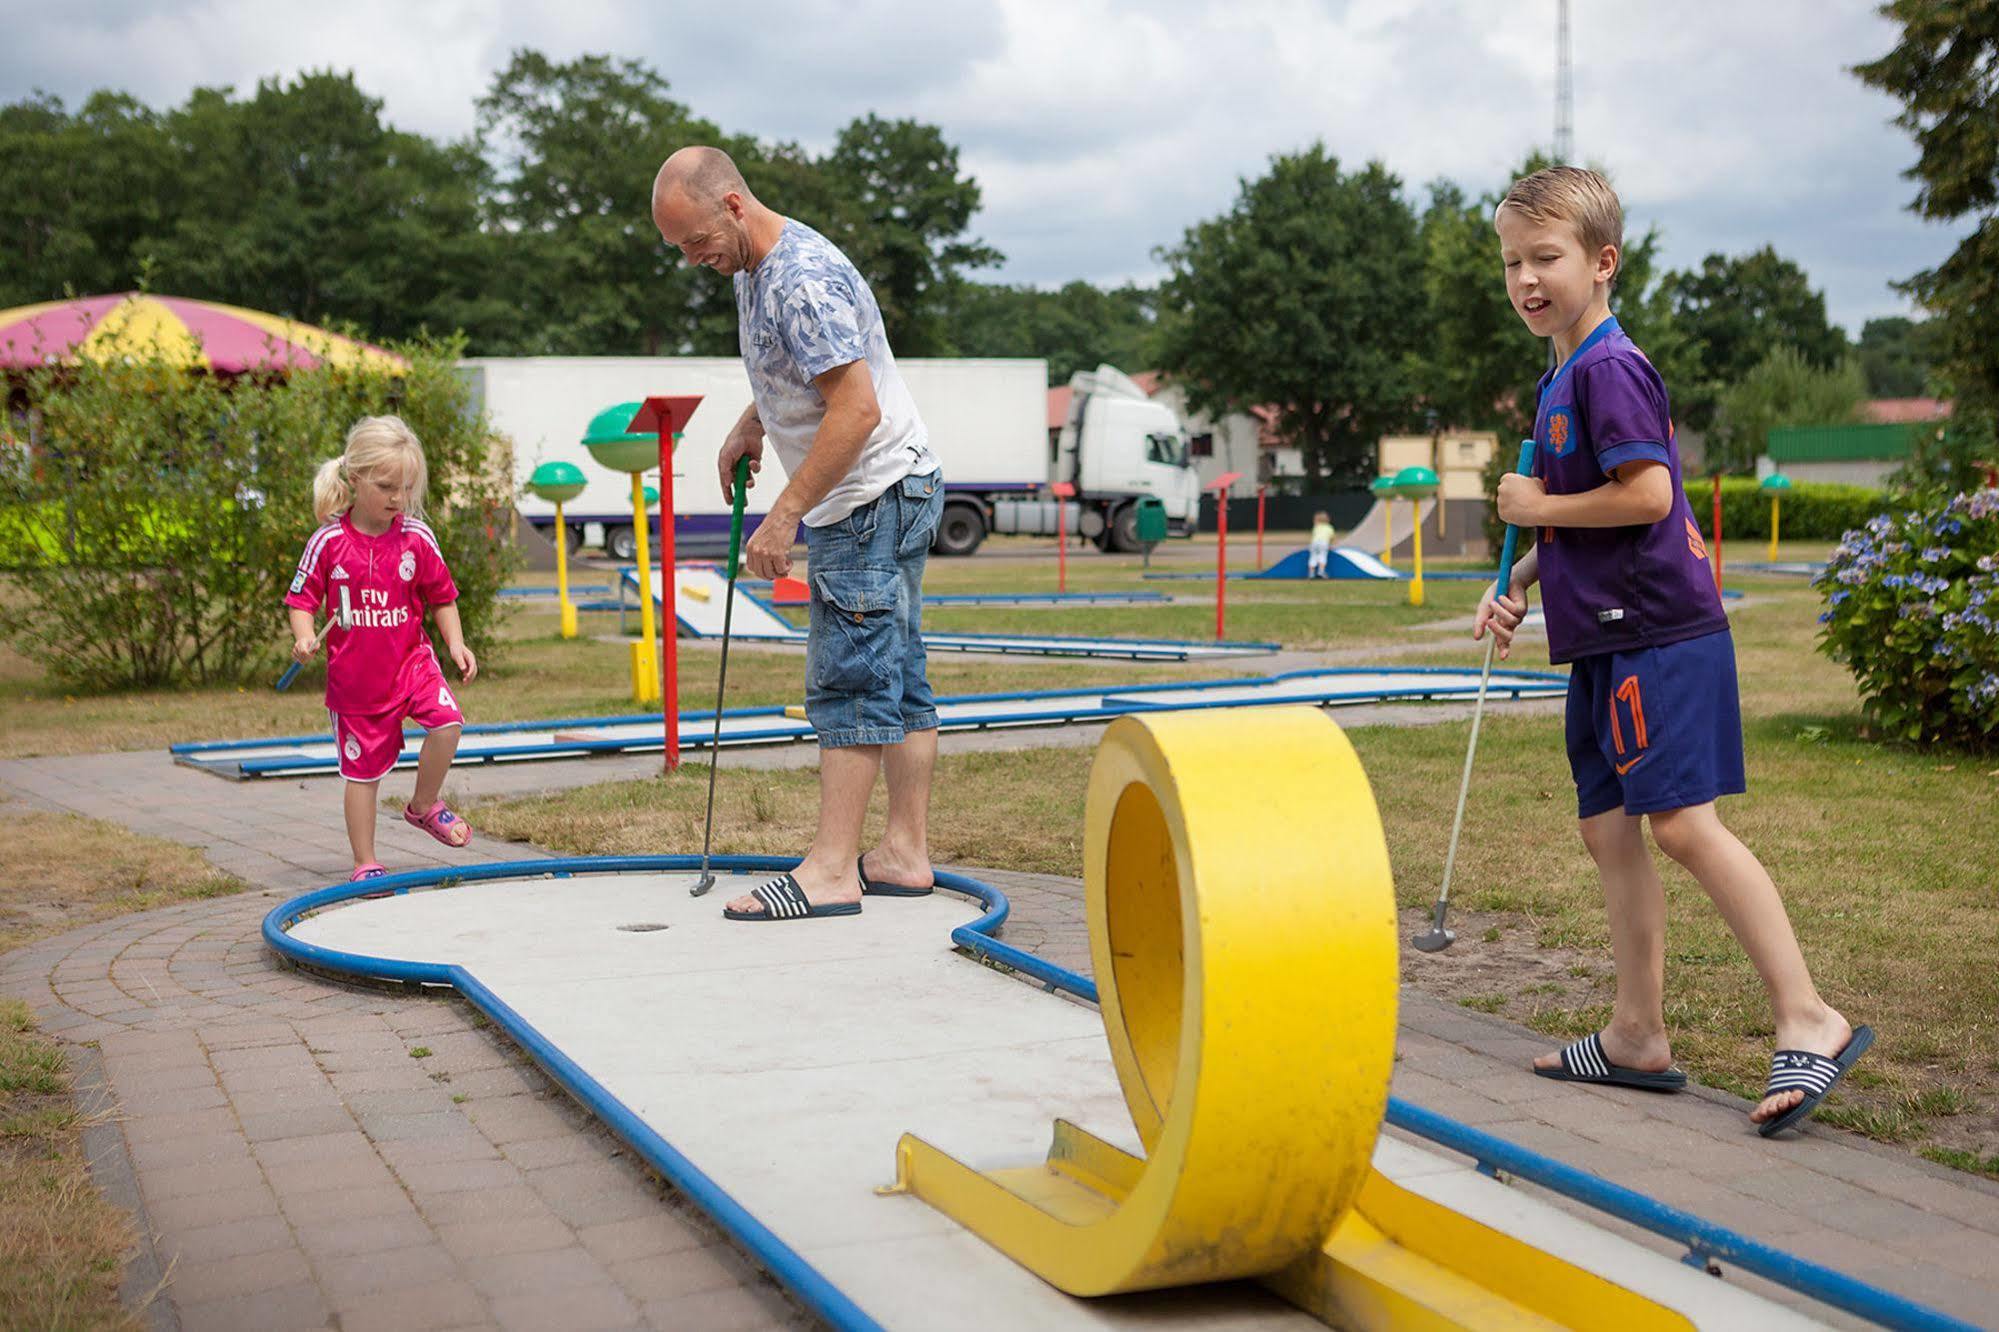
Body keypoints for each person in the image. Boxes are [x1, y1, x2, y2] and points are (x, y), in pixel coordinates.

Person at [1475, 166, 1868, 1136]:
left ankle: (1809, 1017)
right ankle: (1637, 1035)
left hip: (1658, 634)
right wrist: (1520, 579)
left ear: (1602, 263)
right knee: (1606, 828)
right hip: (1604, 637)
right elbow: (1589, 524)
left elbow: (1648, 497)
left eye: (1546, 258)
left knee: (1682, 827)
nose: (1526, 278)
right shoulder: (1559, 372)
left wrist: (1535, 508)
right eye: (1512, 262)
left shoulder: (1610, 368)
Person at [651, 146, 944, 924]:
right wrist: (754, 423)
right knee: (900, 676)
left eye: (694, 240)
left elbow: (855, 410)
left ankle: (828, 872)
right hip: (896, 485)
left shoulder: (798, 280)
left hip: (866, 497)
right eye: (679, 247)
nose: (692, 259)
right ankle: (904, 854)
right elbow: (804, 375)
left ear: (734, 205)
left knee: (851, 677)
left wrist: (785, 514)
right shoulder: (756, 266)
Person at [285, 416, 477, 882]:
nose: (398, 498)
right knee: (361, 774)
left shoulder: (416, 537)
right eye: (387, 486)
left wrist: (456, 642)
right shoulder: (329, 542)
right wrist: (304, 636)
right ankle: (365, 862)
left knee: (448, 724)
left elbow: (442, 595)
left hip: (412, 664)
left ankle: (424, 804)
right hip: (357, 685)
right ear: (355, 479)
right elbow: (300, 600)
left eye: (407, 488)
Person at [1306, 510, 1335, 578]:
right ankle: (1321, 572)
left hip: (1314, 543)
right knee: (1322, 556)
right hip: (1324, 543)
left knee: (1313, 557)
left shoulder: (1316, 527)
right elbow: (1331, 537)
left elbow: (1313, 536)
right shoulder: (1329, 527)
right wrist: (1330, 544)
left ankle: (1311, 573)